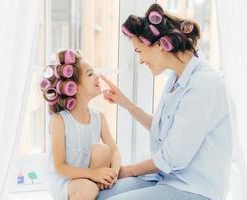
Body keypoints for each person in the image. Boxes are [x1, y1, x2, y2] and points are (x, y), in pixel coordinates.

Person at [96, 3, 232, 200]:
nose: (140, 60)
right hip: (167, 179)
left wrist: (127, 170)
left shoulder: (204, 83)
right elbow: (162, 129)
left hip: (194, 188)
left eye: (139, 51)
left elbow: (173, 157)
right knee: (96, 195)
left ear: (160, 45)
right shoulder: (176, 78)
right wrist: (125, 102)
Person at [41, 50, 121, 200]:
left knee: (103, 150)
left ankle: (94, 189)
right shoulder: (59, 121)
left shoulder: (99, 117)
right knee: (88, 189)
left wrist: (114, 172)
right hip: (66, 181)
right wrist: (94, 174)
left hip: (88, 177)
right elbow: (60, 167)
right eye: (90, 74)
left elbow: (115, 151)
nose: (97, 77)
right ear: (75, 87)